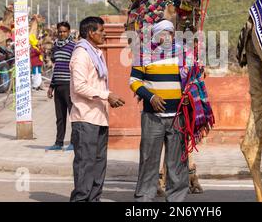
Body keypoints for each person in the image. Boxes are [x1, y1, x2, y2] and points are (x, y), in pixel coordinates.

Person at [129, 20, 189, 202]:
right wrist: (151, 97)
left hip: (177, 117)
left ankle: (176, 200)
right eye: (163, 33)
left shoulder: (183, 55)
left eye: (170, 33)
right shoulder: (143, 54)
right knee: (149, 160)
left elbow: (193, 80)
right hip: (152, 117)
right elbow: (134, 82)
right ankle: (144, 199)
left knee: (177, 162)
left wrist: (188, 94)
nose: (167, 36)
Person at [69, 16, 125, 202]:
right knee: (86, 164)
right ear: (91, 33)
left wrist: (106, 96)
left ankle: (94, 198)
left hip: (99, 116)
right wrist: (107, 95)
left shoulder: (96, 53)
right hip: (85, 117)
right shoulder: (81, 55)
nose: (104, 34)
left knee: (99, 164)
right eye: (101, 31)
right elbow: (80, 86)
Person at [46, 22, 76, 151]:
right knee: (60, 117)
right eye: (60, 31)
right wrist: (51, 86)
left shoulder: (73, 47)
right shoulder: (55, 47)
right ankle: (59, 143)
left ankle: (74, 142)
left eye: (64, 31)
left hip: (69, 85)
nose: (62, 34)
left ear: (69, 32)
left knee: (73, 115)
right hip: (58, 85)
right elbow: (56, 67)